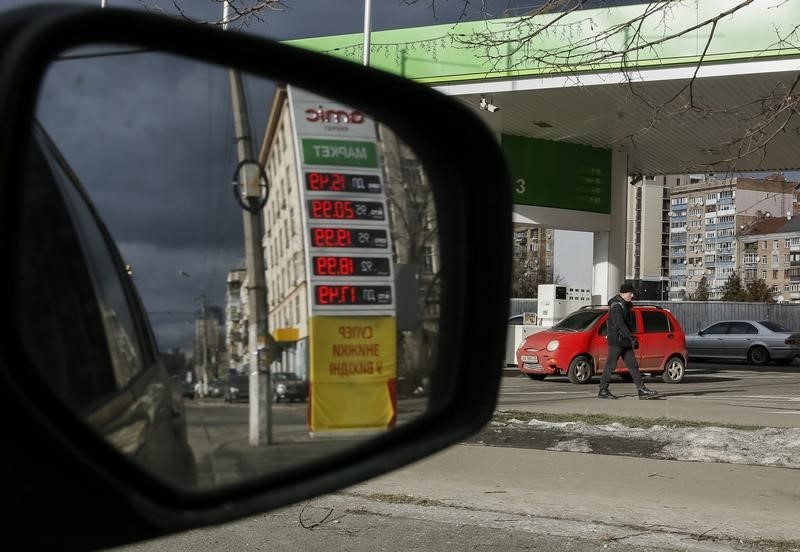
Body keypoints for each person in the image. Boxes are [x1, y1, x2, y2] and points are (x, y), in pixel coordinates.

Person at [598, 283, 658, 400]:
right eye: (631, 293)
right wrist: (631, 337)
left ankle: (641, 390)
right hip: (617, 341)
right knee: (611, 365)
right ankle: (603, 390)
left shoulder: (625, 305)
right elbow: (620, 324)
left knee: (633, 366)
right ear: (624, 293)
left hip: (624, 341)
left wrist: (630, 338)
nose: (632, 295)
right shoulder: (616, 306)